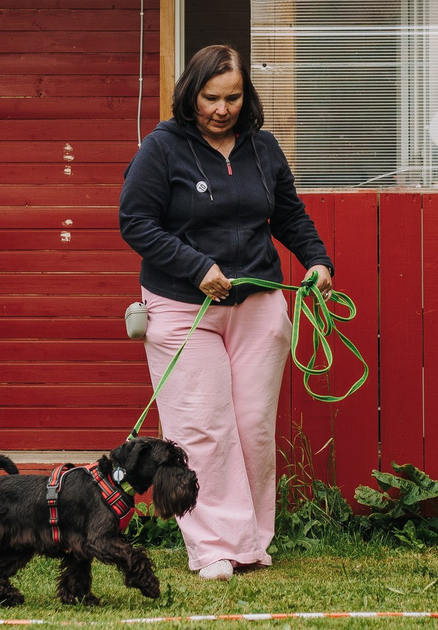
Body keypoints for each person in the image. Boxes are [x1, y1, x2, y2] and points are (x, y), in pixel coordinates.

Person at [118, 43, 332, 580]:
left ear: (245, 96)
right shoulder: (161, 148)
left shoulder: (263, 147)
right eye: (211, 98)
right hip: (182, 305)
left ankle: (251, 542)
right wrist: (196, 267)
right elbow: (136, 222)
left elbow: (289, 215)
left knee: (253, 426)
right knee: (203, 429)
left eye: (232, 98)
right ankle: (213, 547)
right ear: (191, 94)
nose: (221, 109)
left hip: (257, 301)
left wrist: (317, 260)